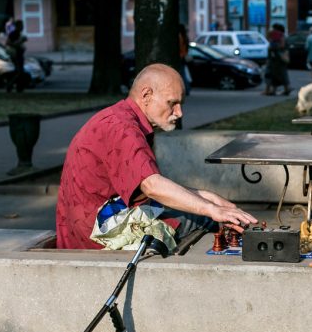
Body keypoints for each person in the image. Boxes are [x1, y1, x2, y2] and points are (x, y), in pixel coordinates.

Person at [55, 63, 257, 249]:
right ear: (146, 95)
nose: (179, 113)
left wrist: (206, 197)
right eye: (173, 103)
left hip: (103, 221)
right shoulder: (122, 128)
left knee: (206, 214)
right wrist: (210, 209)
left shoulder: (121, 118)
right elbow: (151, 186)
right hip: (98, 234)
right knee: (204, 220)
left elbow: (147, 185)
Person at [264, 23, 290, 96]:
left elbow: (282, 46)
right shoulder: (276, 36)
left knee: (278, 73)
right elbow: (268, 38)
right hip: (276, 58)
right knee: (277, 74)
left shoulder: (281, 37)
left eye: (274, 29)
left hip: (278, 58)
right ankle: (277, 89)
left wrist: (274, 46)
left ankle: (284, 89)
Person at [5, 19, 27, 93]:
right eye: (21, 25)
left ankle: (19, 87)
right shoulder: (14, 33)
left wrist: (22, 45)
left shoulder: (19, 33)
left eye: (22, 25)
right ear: (17, 26)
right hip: (16, 55)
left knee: (20, 72)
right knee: (19, 72)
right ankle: (10, 85)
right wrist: (21, 41)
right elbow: (9, 43)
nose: (22, 27)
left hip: (19, 55)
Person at [177, 24, 192, 95]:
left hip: (180, 56)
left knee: (182, 74)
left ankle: (186, 89)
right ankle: (187, 89)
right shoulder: (185, 36)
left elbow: (180, 46)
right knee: (184, 74)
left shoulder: (179, 36)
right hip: (183, 56)